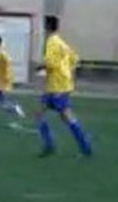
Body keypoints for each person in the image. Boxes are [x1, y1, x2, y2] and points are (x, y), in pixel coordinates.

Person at [36, 16, 92, 157]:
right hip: (59, 84)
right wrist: (66, 72)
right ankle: (49, 145)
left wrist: (41, 67)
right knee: (41, 113)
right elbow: (75, 59)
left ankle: (85, 147)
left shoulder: (51, 42)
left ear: (47, 27)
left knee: (66, 116)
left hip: (57, 86)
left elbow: (50, 63)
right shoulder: (61, 42)